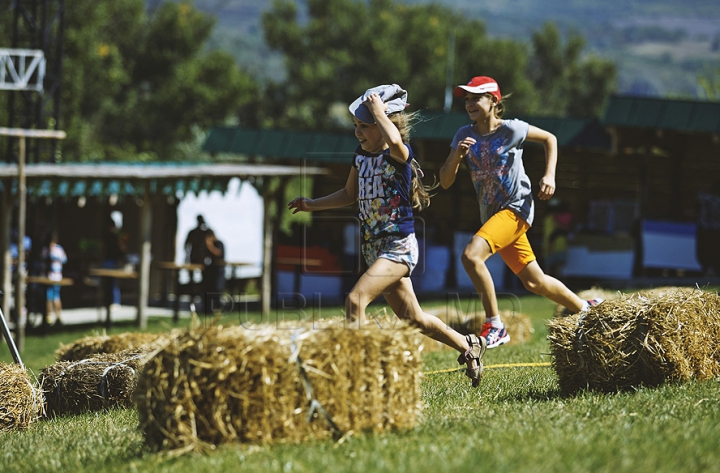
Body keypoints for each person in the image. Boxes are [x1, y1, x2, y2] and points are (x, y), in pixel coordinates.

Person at [288, 84, 487, 388]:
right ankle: (468, 345)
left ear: (384, 125)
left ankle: (362, 371)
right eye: (356, 126)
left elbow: (394, 138)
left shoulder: (399, 154)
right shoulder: (360, 157)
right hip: (374, 249)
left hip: (398, 248)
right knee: (414, 319)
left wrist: (380, 111)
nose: (358, 132)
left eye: (365, 126)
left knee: (355, 300)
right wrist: (311, 204)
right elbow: (348, 193)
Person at [439, 76, 602, 349]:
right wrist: (456, 156)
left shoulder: (511, 129)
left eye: (476, 97)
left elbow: (550, 138)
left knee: (471, 256)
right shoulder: (462, 135)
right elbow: (445, 181)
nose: (469, 103)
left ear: (494, 101)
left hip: (516, 208)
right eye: (466, 98)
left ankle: (495, 325)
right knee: (534, 282)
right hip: (493, 216)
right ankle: (585, 308)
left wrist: (549, 176)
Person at [41, 232, 67, 325]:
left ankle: (49, 316)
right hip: (56, 277)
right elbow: (64, 260)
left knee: (49, 297)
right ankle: (57, 316)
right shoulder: (59, 249)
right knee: (55, 297)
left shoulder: (45, 250)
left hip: (48, 277)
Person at [102, 216, 127, 307]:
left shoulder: (115, 237)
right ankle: (111, 301)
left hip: (111, 261)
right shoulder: (112, 237)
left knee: (112, 282)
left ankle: (114, 301)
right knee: (111, 282)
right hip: (110, 260)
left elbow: (121, 249)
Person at [202, 228, 226, 314]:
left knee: (217, 290)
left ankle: (218, 310)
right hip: (211, 271)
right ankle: (209, 310)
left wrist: (209, 245)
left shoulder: (219, 244)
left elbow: (218, 253)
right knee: (209, 291)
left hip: (218, 271)